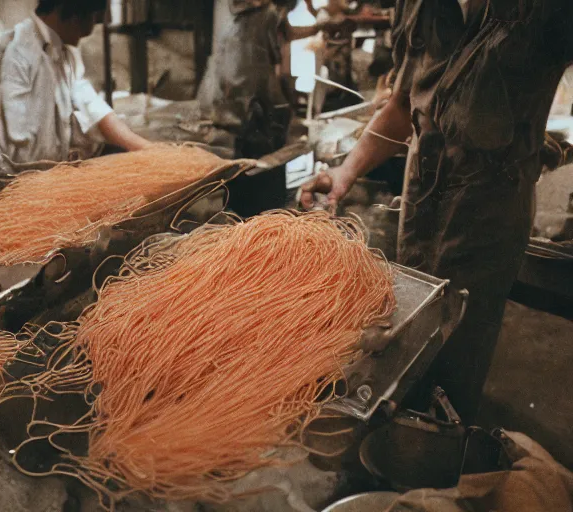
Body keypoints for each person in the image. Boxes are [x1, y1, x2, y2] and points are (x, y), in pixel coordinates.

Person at [299, 0, 573, 424]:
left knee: (456, 362)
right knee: (404, 347)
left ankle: (439, 462)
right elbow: (403, 105)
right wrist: (344, 172)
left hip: (487, 211)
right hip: (420, 201)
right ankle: (397, 452)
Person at [0, 0, 153, 164]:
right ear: (71, 13)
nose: (89, 30)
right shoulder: (15, 49)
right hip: (10, 178)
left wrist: (145, 148)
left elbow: (92, 106)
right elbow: (12, 138)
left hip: (46, 174)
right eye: (91, 18)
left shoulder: (65, 53)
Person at [197, 0, 322, 160]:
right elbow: (279, 65)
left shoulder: (255, 13)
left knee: (241, 138)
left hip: (230, 81)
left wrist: (319, 27)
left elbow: (287, 32)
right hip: (246, 81)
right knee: (256, 138)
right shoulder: (268, 13)